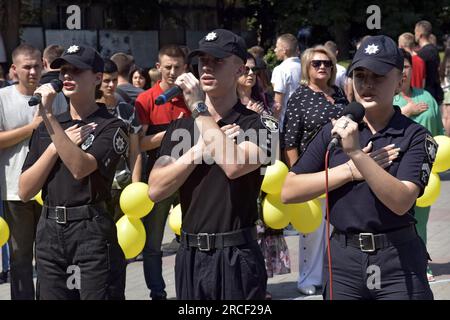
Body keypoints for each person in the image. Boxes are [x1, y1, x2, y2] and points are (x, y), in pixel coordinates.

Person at [282, 35, 435, 300]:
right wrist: (348, 171)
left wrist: (355, 153)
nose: (367, 84)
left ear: (399, 81)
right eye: (360, 75)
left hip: (397, 260)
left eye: (378, 76)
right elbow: (289, 190)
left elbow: (401, 201)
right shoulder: (335, 129)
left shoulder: (415, 136)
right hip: (344, 261)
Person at [148, 29, 276, 300]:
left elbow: (233, 165)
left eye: (217, 60)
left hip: (237, 255)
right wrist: (196, 152)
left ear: (240, 69)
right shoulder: (181, 127)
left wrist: (198, 108)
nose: (206, 66)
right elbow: (156, 190)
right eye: (202, 60)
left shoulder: (259, 124)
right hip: (191, 256)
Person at [18, 44, 127, 300]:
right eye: (63, 71)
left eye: (76, 70)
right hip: (50, 231)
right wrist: (55, 146)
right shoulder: (49, 127)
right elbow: (25, 190)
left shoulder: (111, 125)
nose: (67, 76)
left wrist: (49, 118)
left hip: (90, 229)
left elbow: (80, 168)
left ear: (97, 78)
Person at [0, 44, 67, 300]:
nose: (33, 71)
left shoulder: (55, 95)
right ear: (14, 69)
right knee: (20, 257)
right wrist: (33, 127)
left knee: (50, 256)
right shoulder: (3, 98)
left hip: (50, 188)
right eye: (26, 66)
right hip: (16, 190)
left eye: (37, 65)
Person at [282, 45, 348, 296]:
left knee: (336, 227)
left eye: (327, 63)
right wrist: (297, 174)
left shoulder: (340, 93)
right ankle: (308, 279)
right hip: (311, 171)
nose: (323, 67)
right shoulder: (300, 96)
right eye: (316, 63)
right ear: (307, 67)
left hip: (341, 170)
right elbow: (290, 140)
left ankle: (331, 275)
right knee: (311, 230)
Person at [135, 45, 190, 300]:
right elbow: (140, 144)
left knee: (191, 238)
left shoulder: (192, 97)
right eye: (167, 67)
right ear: (158, 68)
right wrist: (170, 133)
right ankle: (157, 292)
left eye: (177, 67)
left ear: (185, 69)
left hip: (190, 176)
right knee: (153, 242)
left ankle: (190, 290)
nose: (171, 72)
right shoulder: (145, 100)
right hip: (157, 177)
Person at [394, 48, 444, 282]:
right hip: (392, 172)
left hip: (423, 174)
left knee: (420, 221)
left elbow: (438, 136)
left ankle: (421, 263)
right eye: (399, 66)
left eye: (406, 66)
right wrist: (406, 111)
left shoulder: (427, 98)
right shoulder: (385, 99)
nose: (403, 71)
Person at [97, 59, 143, 222]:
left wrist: (135, 186)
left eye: (114, 80)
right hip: (96, 186)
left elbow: (135, 151)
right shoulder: (89, 111)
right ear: (97, 80)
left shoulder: (128, 111)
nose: (111, 85)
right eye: (106, 81)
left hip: (123, 184)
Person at [271, 33, 301, 124]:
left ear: (284, 50)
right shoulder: (306, 67)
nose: (275, 50)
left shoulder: (280, 70)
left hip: (286, 122)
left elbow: (278, 104)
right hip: (305, 119)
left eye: (277, 47)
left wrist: (273, 125)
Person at [415, 20, 444, 104]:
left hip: (426, 93)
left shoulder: (422, 54)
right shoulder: (434, 49)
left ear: (420, 34)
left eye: (415, 32)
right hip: (436, 90)